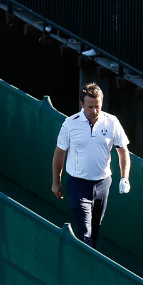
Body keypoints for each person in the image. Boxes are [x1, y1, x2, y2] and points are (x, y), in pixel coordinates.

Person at [51, 83, 131, 248]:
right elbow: (59, 153)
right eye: (90, 107)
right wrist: (56, 182)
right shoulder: (70, 123)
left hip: (103, 184)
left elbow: (123, 151)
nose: (94, 111)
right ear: (82, 105)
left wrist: (125, 178)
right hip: (78, 184)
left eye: (98, 106)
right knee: (85, 231)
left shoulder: (112, 122)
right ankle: (84, 266)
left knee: (95, 230)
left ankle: (87, 258)